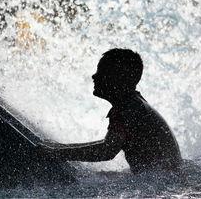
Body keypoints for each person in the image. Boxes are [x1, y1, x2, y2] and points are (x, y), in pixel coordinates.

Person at [37, 48, 183, 175]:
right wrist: (61, 147)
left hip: (163, 181)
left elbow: (107, 151)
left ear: (118, 79)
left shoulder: (126, 109)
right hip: (168, 176)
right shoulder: (133, 103)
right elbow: (111, 143)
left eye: (101, 72)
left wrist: (57, 154)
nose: (94, 76)